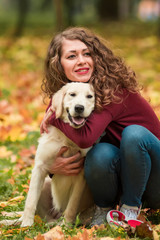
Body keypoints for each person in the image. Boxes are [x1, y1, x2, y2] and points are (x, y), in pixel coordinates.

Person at [40, 27, 160, 226]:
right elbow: (64, 145)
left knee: (134, 134)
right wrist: (51, 167)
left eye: (87, 54)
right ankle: (103, 209)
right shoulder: (67, 98)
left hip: (155, 178)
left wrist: (53, 117)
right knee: (100, 152)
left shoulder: (112, 91)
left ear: (97, 57)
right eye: (71, 56)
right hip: (122, 177)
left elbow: (84, 138)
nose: (81, 61)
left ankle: (130, 208)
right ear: (58, 65)